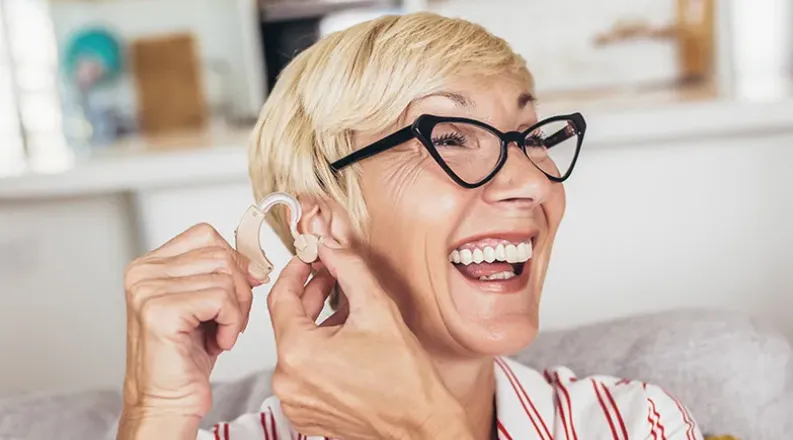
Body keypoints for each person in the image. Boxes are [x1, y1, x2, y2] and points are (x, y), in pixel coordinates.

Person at [116, 12, 704, 440]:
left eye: (531, 137)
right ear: (316, 220)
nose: (532, 181)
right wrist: (155, 412)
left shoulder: (635, 425)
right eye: (450, 138)